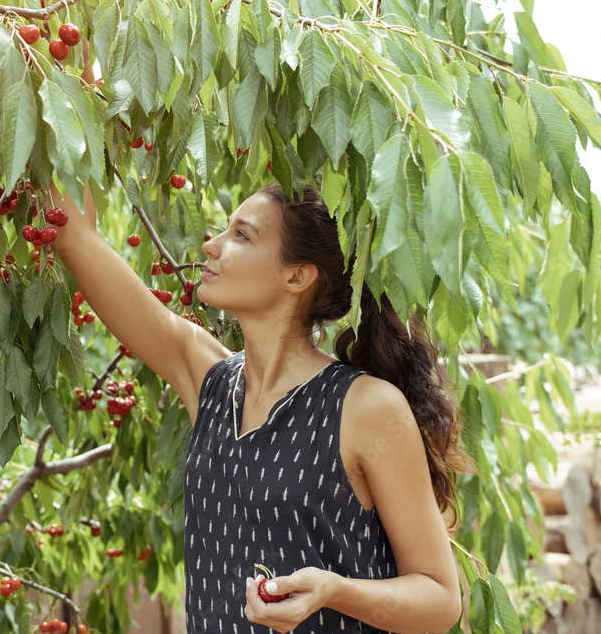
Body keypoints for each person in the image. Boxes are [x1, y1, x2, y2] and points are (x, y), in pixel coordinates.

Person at [49, 179, 469, 634]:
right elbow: (73, 234)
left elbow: (441, 599)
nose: (211, 245)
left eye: (241, 235)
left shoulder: (365, 406)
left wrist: (334, 590)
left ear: (297, 276)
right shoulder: (210, 382)